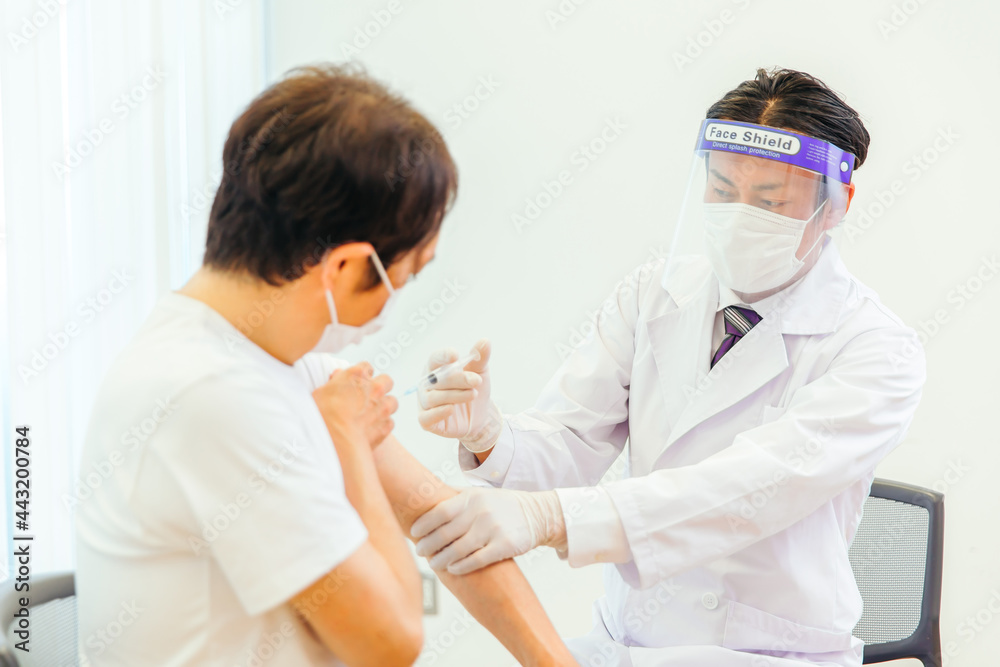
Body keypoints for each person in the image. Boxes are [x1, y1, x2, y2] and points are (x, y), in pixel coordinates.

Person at [412, 68, 927, 667]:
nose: (740, 216)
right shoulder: (653, 295)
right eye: (722, 190)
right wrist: (490, 434)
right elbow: (573, 440)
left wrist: (550, 518)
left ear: (836, 206)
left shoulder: (876, 350)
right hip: (624, 643)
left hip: (765, 655)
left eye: (770, 201)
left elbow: (747, 488)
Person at [75, 64, 577, 666]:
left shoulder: (283, 365)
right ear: (345, 268)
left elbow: (447, 525)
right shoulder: (210, 394)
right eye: (405, 275)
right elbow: (390, 643)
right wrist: (347, 442)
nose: (398, 295)